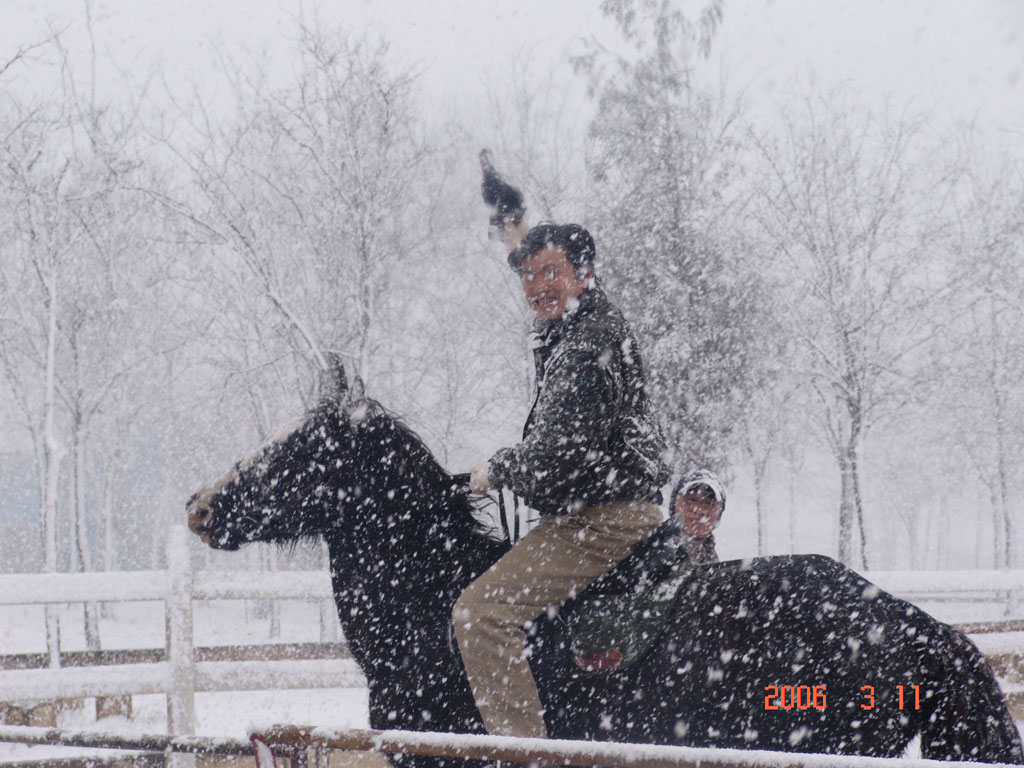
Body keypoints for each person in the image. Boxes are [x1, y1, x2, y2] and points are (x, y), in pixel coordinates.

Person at [453, 210, 670, 738]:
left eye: (551, 272)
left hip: (600, 521)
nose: (537, 286)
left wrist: (499, 469)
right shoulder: (573, 331)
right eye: (527, 276)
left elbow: (559, 458)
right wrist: (517, 235)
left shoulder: (585, 343)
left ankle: (523, 753)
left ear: (586, 274)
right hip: (598, 509)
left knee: (479, 613)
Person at [671, 469, 725, 565]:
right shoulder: (655, 550)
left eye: (708, 504)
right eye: (691, 500)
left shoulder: (711, 559)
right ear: (674, 505)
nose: (699, 510)